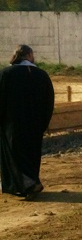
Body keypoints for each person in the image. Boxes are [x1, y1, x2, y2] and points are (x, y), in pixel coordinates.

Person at [0, 45, 54, 200]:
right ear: (29, 55)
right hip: (35, 124)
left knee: (14, 156)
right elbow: (48, 101)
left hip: (11, 125)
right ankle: (28, 185)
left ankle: (28, 185)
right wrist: (43, 123)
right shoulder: (41, 75)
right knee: (31, 155)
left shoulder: (5, 73)